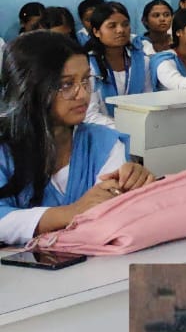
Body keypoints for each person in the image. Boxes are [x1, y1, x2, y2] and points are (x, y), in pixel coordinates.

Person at [0, 32, 153, 246]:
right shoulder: (4, 149)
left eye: (86, 80)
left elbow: (108, 209)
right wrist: (71, 212)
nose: (82, 94)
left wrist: (132, 189)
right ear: (29, 87)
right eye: (66, 84)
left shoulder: (104, 141)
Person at [84, 1, 149, 125]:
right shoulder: (88, 65)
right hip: (100, 131)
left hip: (139, 127)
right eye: (112, 26)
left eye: (125, 24)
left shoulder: (142, 61)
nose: (120, 30)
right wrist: (121, 128)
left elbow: (149, 99)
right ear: (96, 32)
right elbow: (89, 115)